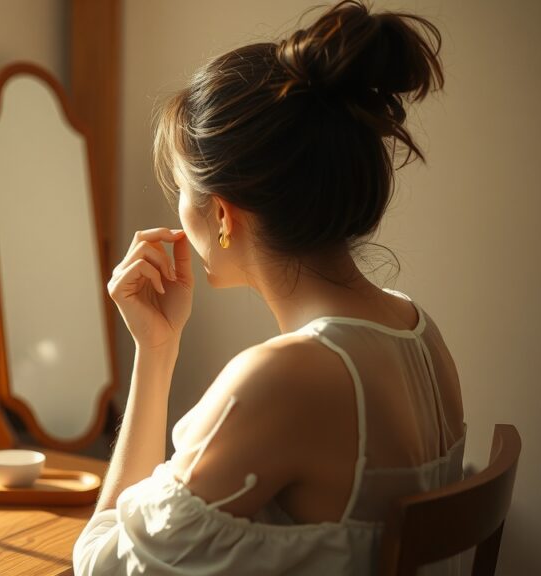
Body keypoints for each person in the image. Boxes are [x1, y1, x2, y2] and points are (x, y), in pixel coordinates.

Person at [72, 1, 464, 574]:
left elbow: (102, 566)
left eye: (181, 189)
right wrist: (159, 345)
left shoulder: (284, 379)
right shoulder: (419, 334)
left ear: (225, 217)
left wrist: (153, 359)